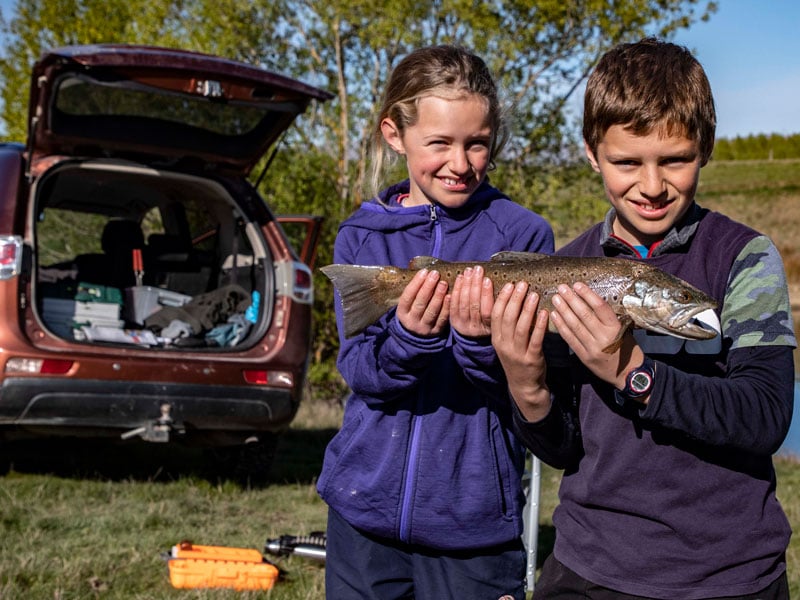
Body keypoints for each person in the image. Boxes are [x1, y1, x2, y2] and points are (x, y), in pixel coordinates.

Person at [491, 37, 796, 599]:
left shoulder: (744, 259)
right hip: (590, 568)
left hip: (727, 578)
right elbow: (562, 449)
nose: (652, 186)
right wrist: (524, 380)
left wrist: (633, 370)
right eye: (627, 162)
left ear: (705, 147)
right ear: (591, 152)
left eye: (674, 160)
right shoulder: (565, 270)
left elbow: (766, 416)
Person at [317, 44, 555, 599]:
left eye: (477, 143)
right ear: (394, 135)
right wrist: (407, 340)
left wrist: (476, 344)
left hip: (473, 523)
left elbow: (520, 388)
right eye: (440, 143)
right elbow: (360, 373)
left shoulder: (523, 235)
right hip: (361, 510)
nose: (460, 162)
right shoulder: (363, 235)